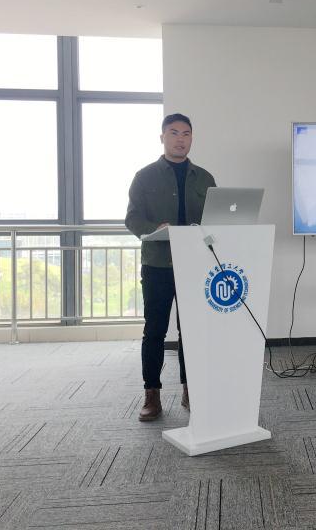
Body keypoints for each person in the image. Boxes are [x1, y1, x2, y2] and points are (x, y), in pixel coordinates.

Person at [125, 113, 216, 421]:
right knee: (154, 331)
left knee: (191, 331)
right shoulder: (144, 177)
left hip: (195, 265)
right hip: (158, 265)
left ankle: (191, 389)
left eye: (186, 133)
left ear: (192, 138)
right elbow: (132, 218)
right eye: (174, 133)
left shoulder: (204, 179)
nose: (181, 139)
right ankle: (151, 394)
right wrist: (154, 228)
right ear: (162, 137)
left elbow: (215, 218)